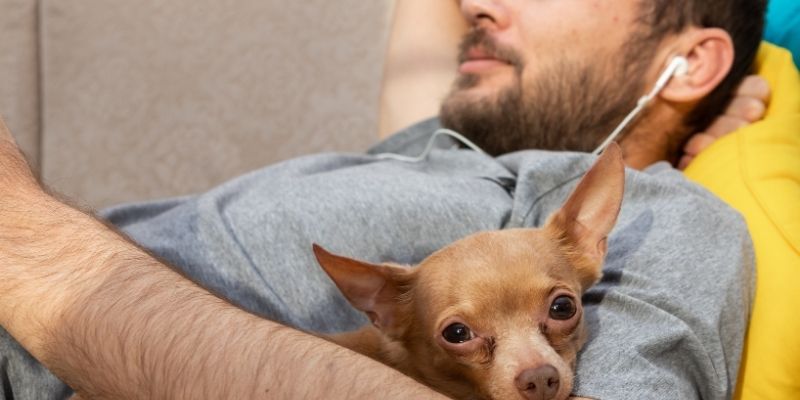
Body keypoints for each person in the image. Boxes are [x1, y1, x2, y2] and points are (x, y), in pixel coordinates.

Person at [0, 0, 769, 399]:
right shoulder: (433, 141)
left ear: (692, 60)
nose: (480, 7)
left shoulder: (663, 217)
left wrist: (26, 243)